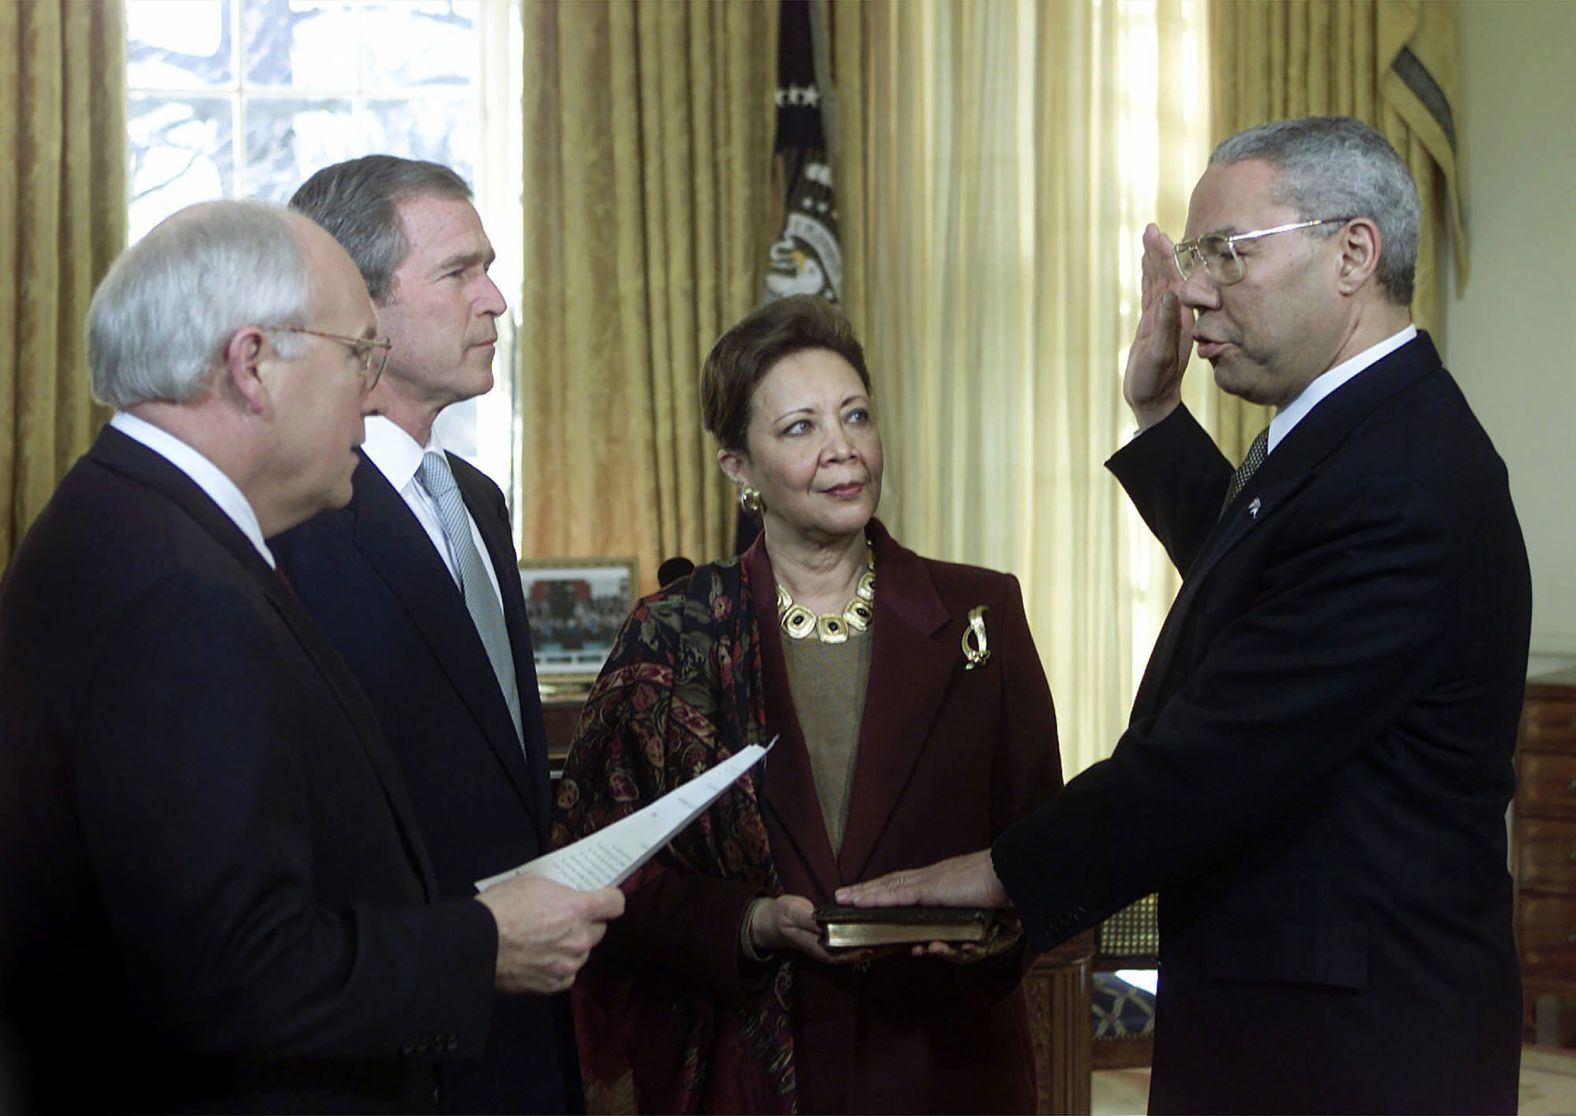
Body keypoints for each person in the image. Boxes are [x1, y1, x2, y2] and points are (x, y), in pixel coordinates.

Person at [839, 116, 1532, 1113]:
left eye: (1226, 254)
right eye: (1192, 255)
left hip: (1354, 1050)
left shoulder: (1403, 478)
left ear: (1352, 253)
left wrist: (1006, 871)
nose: (1194, 288)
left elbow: (1226, 753)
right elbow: (1268, 576)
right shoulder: (1358, 431)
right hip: (1303, 1017)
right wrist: (1160, 420)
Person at [0, 199, 623, 1114]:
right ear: (253, 366)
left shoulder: (133, 523)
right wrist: (483, 945)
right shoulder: (175, 589)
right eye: (357, 357)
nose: (371, 394)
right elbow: (235, 973)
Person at [552, 294, 1063, 1114]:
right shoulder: (675, 637)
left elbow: (1042, 842)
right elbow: (601, 873)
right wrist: (747, 924)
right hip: (744, 1068)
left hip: (942, 1067)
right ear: (739, 468)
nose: (841, 449)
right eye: (800, 428)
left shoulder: (983, 614)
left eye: (855, 416)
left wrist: (994, 937)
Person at [269, 156, 579, 1113]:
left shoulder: (476, 501)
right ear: (358, 301)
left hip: (526, 1028)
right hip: (393, 1047)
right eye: (458, 273)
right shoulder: (291, 519)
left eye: (489, 268)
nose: (495, 300)